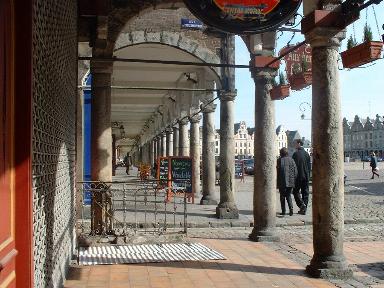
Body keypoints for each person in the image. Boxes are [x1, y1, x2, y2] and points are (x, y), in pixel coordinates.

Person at [277, 147, 297, 216]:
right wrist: (293, 179)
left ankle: (284, 211)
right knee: (288, 196)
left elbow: (277, 171)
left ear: (281, 153)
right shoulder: (292, 160)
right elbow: (295, 171)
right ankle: (291, 210)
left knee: (282, 197)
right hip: (290, 181)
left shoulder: (279, 160)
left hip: (282, 181)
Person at [292, 139, 311, 215]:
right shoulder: (307, 154)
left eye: (295, 143)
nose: (294, 145)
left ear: (299, 144)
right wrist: (308, 174)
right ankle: (304, 209)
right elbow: (309, 166)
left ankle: (301, 205)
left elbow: (293, 167)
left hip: (298, 176)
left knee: (295, 191)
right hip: (306, 176)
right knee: (305, 193)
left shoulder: (295, 154)